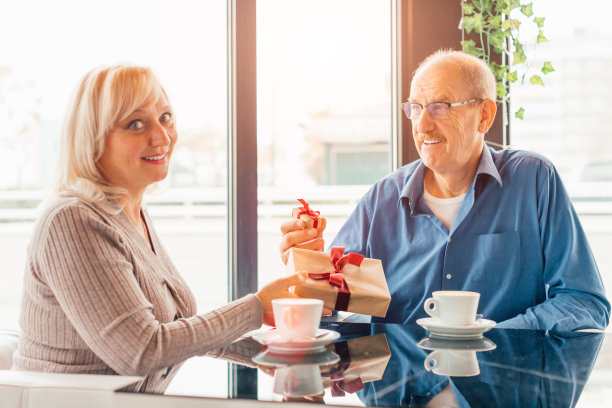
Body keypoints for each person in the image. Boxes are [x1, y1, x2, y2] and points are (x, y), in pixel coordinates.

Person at [280, 50, 610, 331]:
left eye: (440, 107)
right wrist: (310, 273)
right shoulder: (380, 201)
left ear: (484, 115)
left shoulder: (534, 180)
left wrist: (492, 338)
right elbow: (328, 310)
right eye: (415, 108)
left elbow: (585, 302)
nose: (422, 125)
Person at [13, 64, 308, 379]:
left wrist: (269, 352)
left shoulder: (130, 214)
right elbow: (141, 350)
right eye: (136, 123)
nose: (162, 136)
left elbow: (171, 329)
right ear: (93, 139)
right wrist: (256, 308)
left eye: (165, 117)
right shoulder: (71, 220)